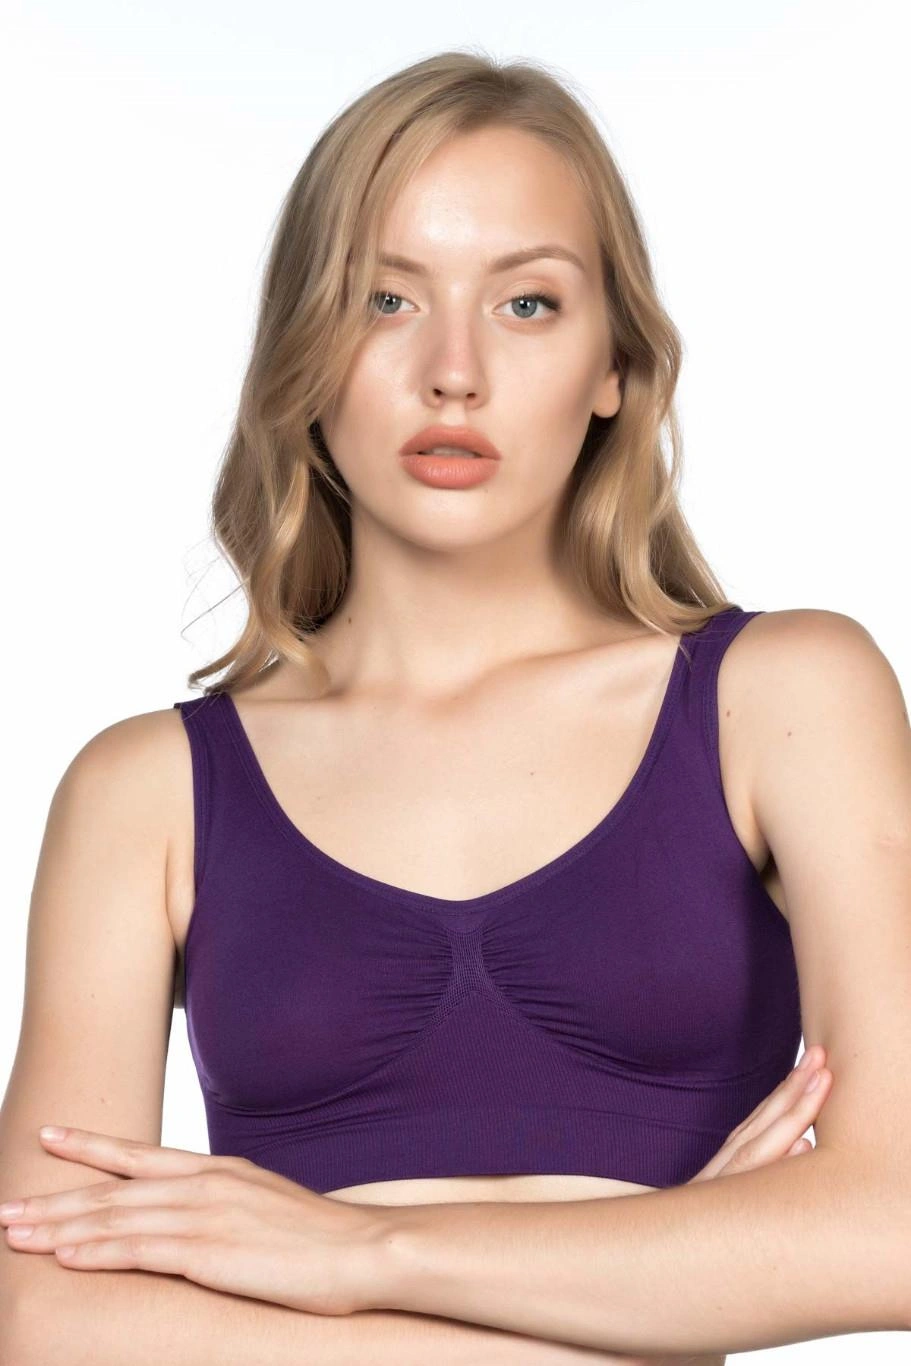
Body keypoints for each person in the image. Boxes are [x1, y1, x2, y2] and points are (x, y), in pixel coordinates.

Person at [9, 47, 892, 1366]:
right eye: (384, 299)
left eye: (528, 303)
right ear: (306, 352)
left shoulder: (782, 699)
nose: (455, 371)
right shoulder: (146, 791)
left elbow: (891, 1221)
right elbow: (42, 1312)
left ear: (614, 365)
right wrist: (647, 1320)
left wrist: (361, 1254)